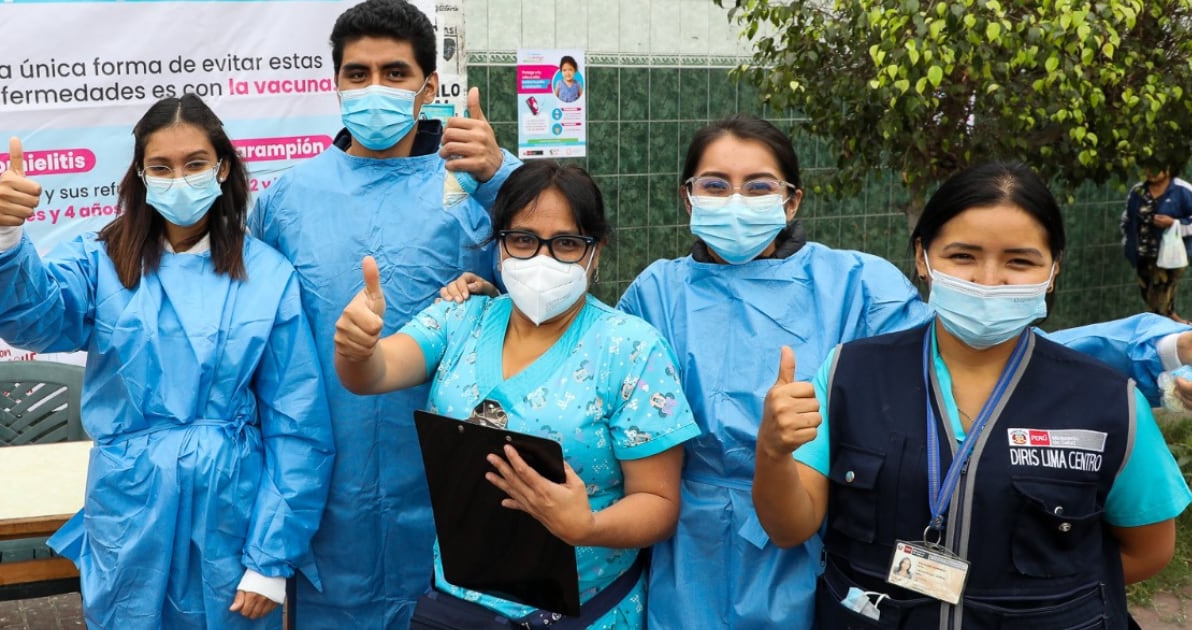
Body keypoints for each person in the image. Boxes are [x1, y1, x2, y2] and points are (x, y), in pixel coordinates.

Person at [441, 115, 1192, 629]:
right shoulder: (659, 290)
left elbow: (983, 358)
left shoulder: (854, 285)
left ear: (794, 197)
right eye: (714, 184)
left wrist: (1147, 346)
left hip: (812, 528)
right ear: (686, 196)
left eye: (759, 185)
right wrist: (489, 296)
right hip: (687, 543)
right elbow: (578, 336)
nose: (736, 202)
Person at [756, 162, 1192, 627]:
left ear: (1053, 269)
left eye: (1019, 261)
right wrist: (773, 449)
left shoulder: (1109, 401)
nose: (989, 279)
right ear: (923, 258)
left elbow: (1148, 551)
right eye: (962, 256)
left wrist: (1028, 601)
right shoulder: (850, 374)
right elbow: (790, 526)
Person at [0, 94, 334, 629]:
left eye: (195, 163)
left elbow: (298, 426)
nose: (180, 179)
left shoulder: (267, 275)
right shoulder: (101, 260)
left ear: (222, 168)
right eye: (162, 166)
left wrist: (271, 558)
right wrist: (5, 236)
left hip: (231, 512)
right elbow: (36, 317)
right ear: (141, 174)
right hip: (130, 506)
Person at [247, 0, 522, 625]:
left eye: (396, 74)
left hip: (450, 473)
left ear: (429, 86)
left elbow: (559, 272)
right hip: (325, 480)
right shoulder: (289, 198)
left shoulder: (476, 189)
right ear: (335, 82)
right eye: (358, 73)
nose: (376, 88)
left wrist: (503, 178)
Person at [334, 160, 700, 628]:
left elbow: (659, 503)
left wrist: (587, 527)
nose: (542, 260)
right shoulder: (459, 319)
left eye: (567, 243)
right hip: (457, 608)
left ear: (597, 250)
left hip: (584, 612)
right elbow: (372, 373)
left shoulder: (630, 349)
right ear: (499, 243)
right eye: (523, 240)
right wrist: (355, 348)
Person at [1121, 162, 1192, 322]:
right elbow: (1127, 219)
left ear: (1168, 168)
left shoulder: (1182, 191)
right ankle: (1179, 324)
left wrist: (1174, 223)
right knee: (1150, 297)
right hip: (1143, 255)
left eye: (1155, 168)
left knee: (1159, 301)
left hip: (1170, 257)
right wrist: (1128, 243)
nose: (1150, 172)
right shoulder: (1138, 191)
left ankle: (1163, 336)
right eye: (1147, 167)